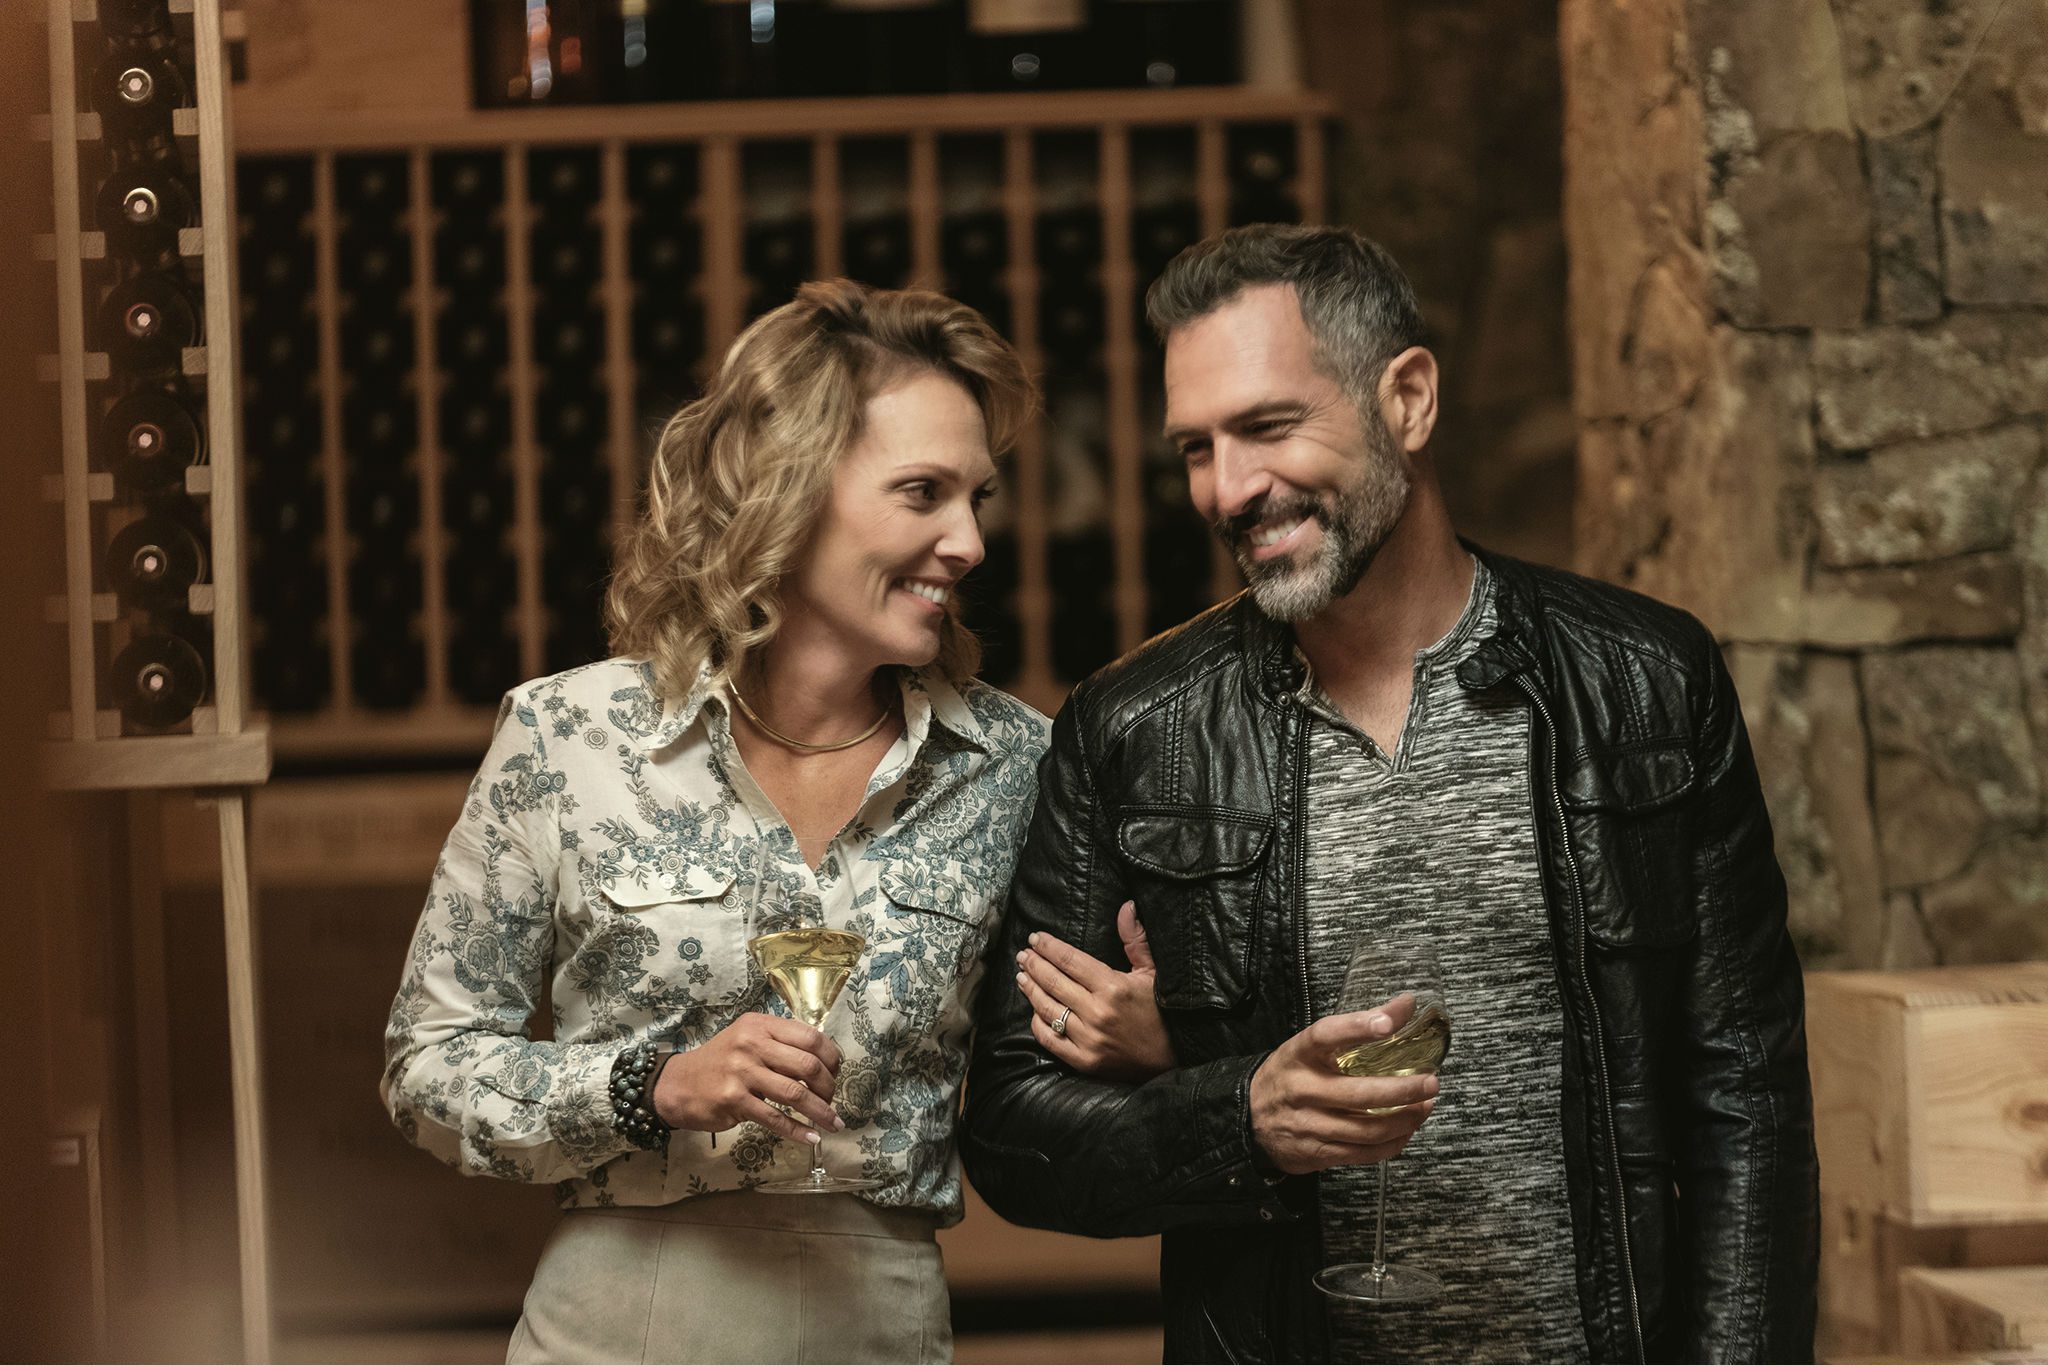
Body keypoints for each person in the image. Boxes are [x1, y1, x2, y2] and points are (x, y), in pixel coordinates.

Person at [961, 225, 1820, 1365]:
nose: (1228, 488)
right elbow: (1015, 1138)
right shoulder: (1132, 729)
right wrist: (1240, 1114)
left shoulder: (1646, 683)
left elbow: (1744, 1101)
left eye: (1267, 427)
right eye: (1192, 449)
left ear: (1405, 400)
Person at [384, 280, 1088, 1365]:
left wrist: (1133, 1035)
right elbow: (427, 1071)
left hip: (878, 1320)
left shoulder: (1012, 767)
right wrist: (648, 1086)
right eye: (921, 493)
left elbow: (1040, 1093)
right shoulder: (567, 737)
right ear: (788, 492)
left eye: (977, 500)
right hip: (615, 1325)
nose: (967, 542)